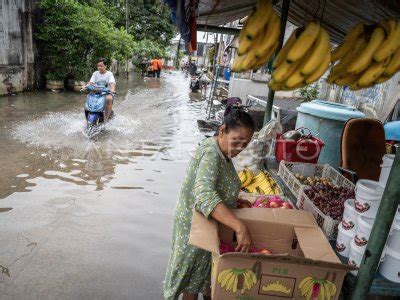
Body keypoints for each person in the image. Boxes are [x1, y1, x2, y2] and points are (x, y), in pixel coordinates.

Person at [163, 106, 255, 300]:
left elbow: (217, 185)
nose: (239, 149)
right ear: (222, 131)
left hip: (208, 226)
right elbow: (204, 195)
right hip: (194, 227)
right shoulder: (211, 154)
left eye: (245, 145)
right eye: (236, 142)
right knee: (192, 281)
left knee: (203, 278)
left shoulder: (223, 152)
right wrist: (239, 226)